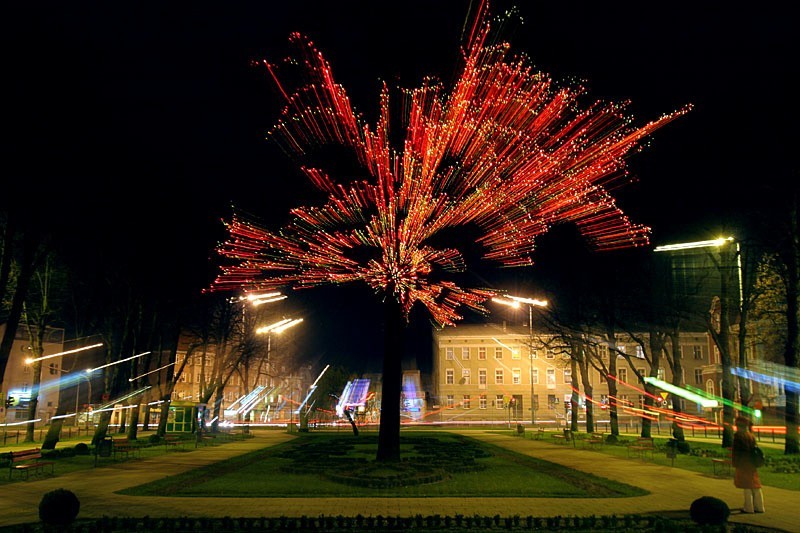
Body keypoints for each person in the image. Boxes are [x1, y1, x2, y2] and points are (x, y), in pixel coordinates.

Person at [732, 415, 765, 513]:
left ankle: (748, 507)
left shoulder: (738, 436)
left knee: (746, 485)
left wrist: (735, 463)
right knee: (755, 484)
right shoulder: (750, 435)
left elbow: (736, 451)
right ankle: (759, 506)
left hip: (743, 463)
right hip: (752, 463)